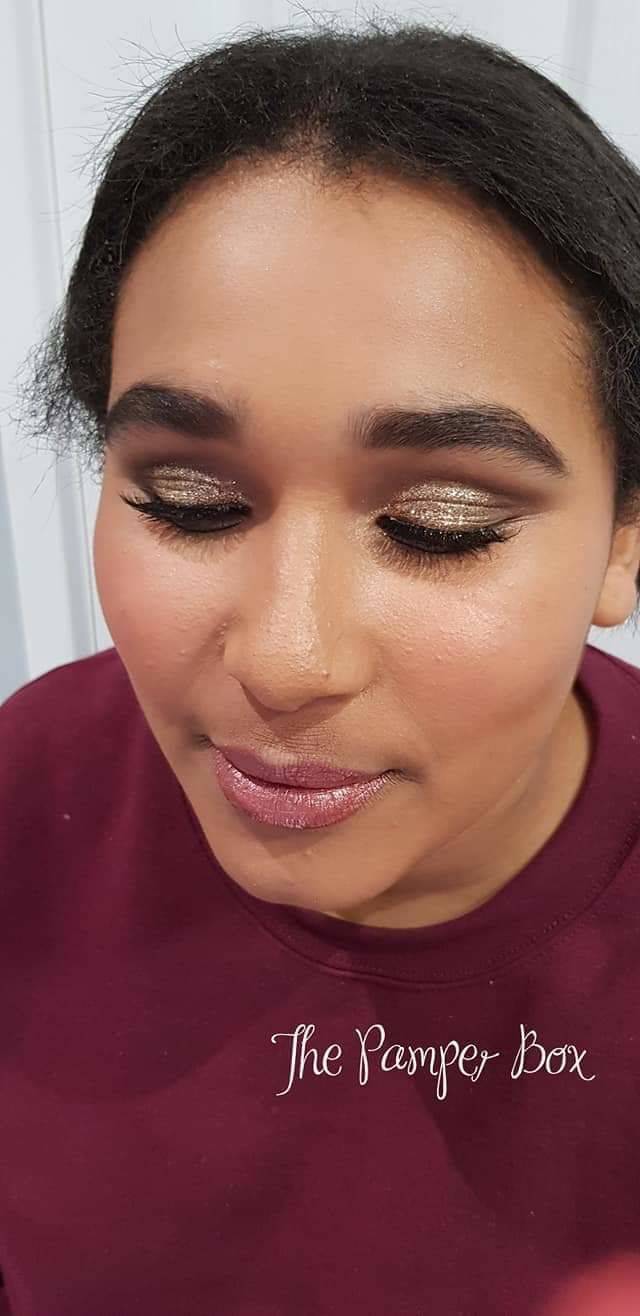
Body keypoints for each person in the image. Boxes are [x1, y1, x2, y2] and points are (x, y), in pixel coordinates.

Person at [3, 14, 640, 1315]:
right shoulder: (26, 796)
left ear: (625, 534)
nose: (288, 660)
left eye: (438, 525)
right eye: (188, 501)